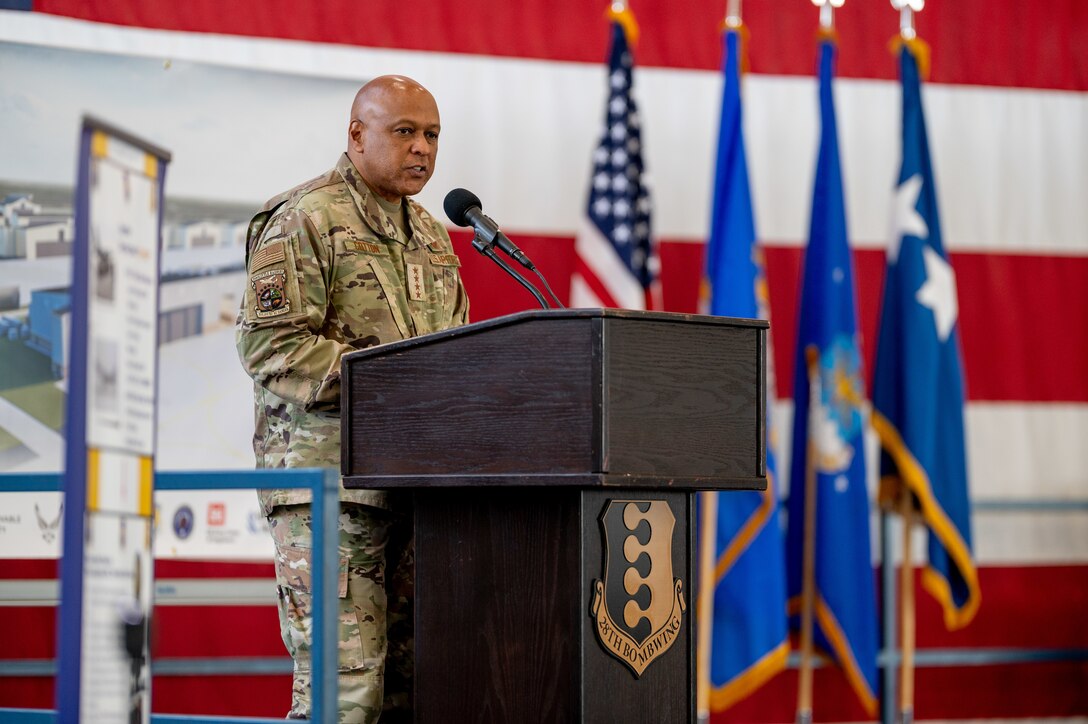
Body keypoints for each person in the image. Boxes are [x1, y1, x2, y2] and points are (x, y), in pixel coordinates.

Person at [236, 75, 470, 722]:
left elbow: (455, 356)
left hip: (418, 490)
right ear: (357, 134)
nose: (421, 148)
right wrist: (394, 384)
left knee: (411, 688)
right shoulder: (305, 217)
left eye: (431, 135)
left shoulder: (431, 233)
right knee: (345, 691)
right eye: (404, 132)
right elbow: (270, 348)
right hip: (329, 490)